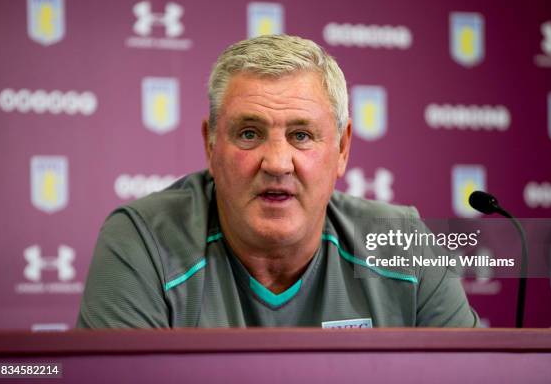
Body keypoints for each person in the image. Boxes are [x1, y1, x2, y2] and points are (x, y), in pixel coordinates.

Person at [77, 34, 478, 328]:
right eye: (249, 133)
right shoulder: (144, 242)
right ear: (211, 145)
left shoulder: (403, 242)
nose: (277, 162)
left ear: (342, 149)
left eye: (301, 135)